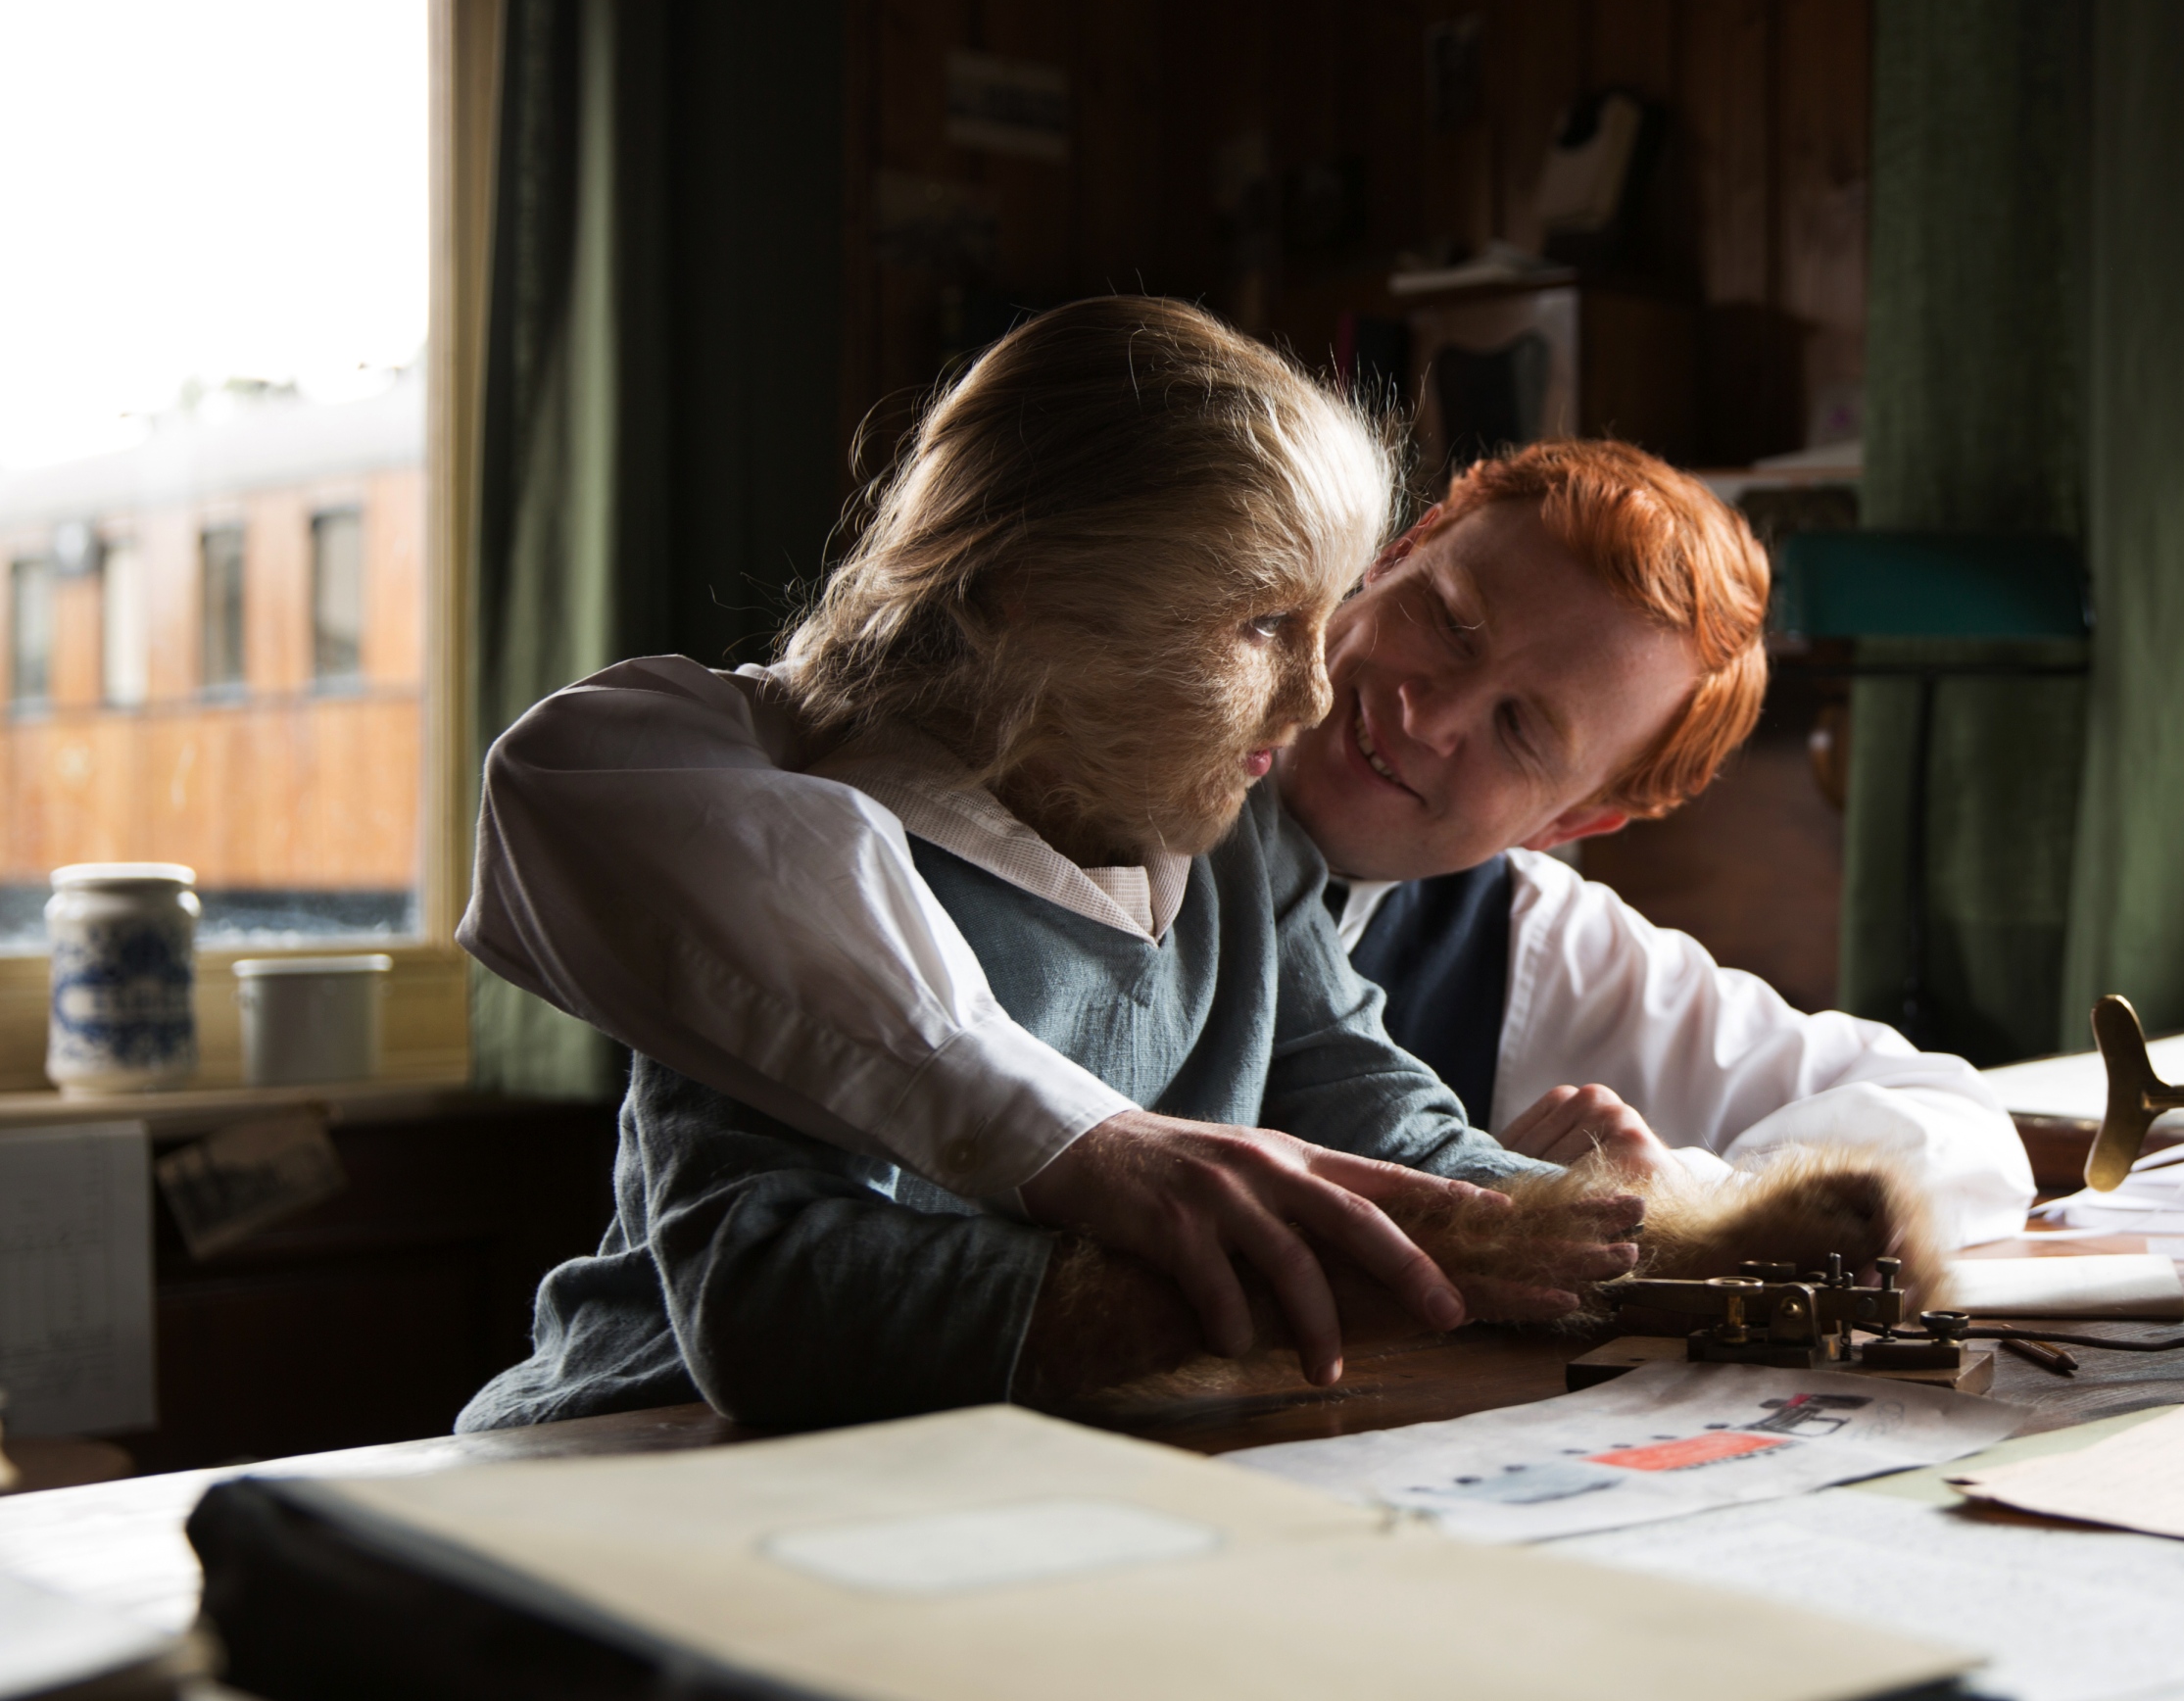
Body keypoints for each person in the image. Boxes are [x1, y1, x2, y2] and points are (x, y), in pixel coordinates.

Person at [460, 301, 1652, 1433]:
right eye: (1257, 627)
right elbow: (771, 1298)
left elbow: (1382, 1118)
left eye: (1319, 618)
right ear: (1041, 599)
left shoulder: (1241, 841)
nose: (1314, 691)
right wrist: (1277, 1285)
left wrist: (1642, 1233)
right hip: (641, 1458)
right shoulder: (790, 850)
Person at [464, 441, 2038, 1274]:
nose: (1421, 710)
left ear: (1581, 825)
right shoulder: (1020, 738)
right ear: (1392, 552)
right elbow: (591, 775)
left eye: (1523, 733)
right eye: (1443, 617)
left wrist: (1663, 1201)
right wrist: (1070, 1139)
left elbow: (1953, 1128)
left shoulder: (1540, 941)